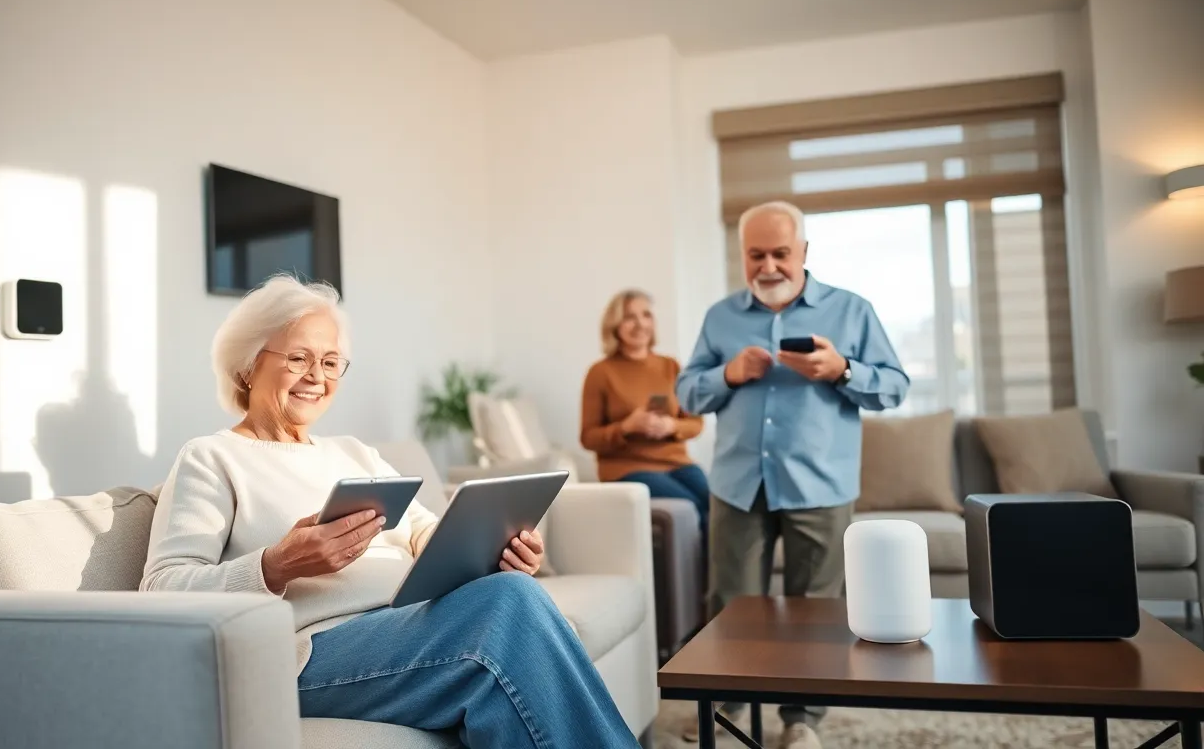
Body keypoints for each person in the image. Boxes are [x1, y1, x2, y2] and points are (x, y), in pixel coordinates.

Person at [140, 275, 637, 749]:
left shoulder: (353, 453)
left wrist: (494, 548)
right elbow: (161, 588)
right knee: (507, 606)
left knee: (512, 596)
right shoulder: (212, 457)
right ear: (247, 367)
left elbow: (424, 531)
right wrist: (276, 565)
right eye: (299, 358)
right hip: (306, 652)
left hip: (405, 623)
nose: (317, 376)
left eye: (332, 362)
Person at [676, 202, 909, 749]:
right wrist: (727, 374)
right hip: (738, 483)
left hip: (820, 485)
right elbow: (687, 392)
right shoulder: (719, 318)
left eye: (781, 253)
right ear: (743, 256)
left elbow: (895, 386)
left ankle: (803, 720)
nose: (770, 265)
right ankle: (728, 705)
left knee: (816, 610)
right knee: (730, 603)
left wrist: (842, 370)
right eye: (756, 254)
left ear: (804, 251)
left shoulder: (852, 311)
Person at [580, 289, 710, 538]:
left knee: (717, 508)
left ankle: (713, 577)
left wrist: (671, 426)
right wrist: (626, 427)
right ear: (615, 325)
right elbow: (588, 437)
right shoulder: (600, 372)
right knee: (690, 507)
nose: (640, 324)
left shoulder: (670, 366)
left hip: (677, 463)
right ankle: (692, 577)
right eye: (629, 317)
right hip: (627, 468)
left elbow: (695, 422)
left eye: (646, 315)